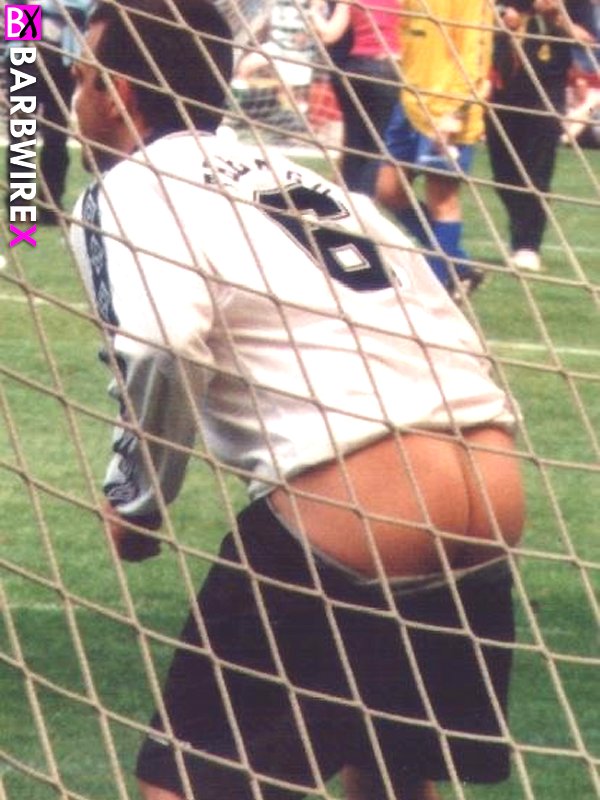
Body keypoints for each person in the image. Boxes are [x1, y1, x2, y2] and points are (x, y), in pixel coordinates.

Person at [70, 1, 526, 798]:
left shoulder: (129, 190)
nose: (71, 100)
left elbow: (159, 343)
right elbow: (441, 319)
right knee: (388, 773)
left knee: (184, 785)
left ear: (118, 93)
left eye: (80, 80)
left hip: (358, 512)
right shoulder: (316, 182)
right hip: (491, 494)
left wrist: (137, 503)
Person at [375, 0, 493, 299]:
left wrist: (456, 112)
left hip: (447, 109)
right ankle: (459, 265)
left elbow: (475, 54)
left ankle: (436, 293)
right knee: (387, 191)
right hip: (411, 103)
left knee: (442, 200)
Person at [486, 0, 596, 272]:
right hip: (502, 86)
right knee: (503, 175)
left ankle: (527, 245)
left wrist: (557, 17)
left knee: (536, 171)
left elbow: (587, 39)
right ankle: (520, 230)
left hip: (547, 89)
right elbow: (480, 13)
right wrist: (503, 17)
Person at [4, 0, 91, 224]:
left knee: (56, 136)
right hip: (25, 54)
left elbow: (82, 9)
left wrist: (45, 5)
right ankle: (19, 204)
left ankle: (50, 206)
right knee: (21, 134)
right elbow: (20, 7)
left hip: (63, 57)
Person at [310, 0, 401, 196]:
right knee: (375, 147)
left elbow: (329, 35)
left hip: (355, 70)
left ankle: (349, 201)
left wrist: (313, 12)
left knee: (353, 144)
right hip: (388, 68)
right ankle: (363, 202)